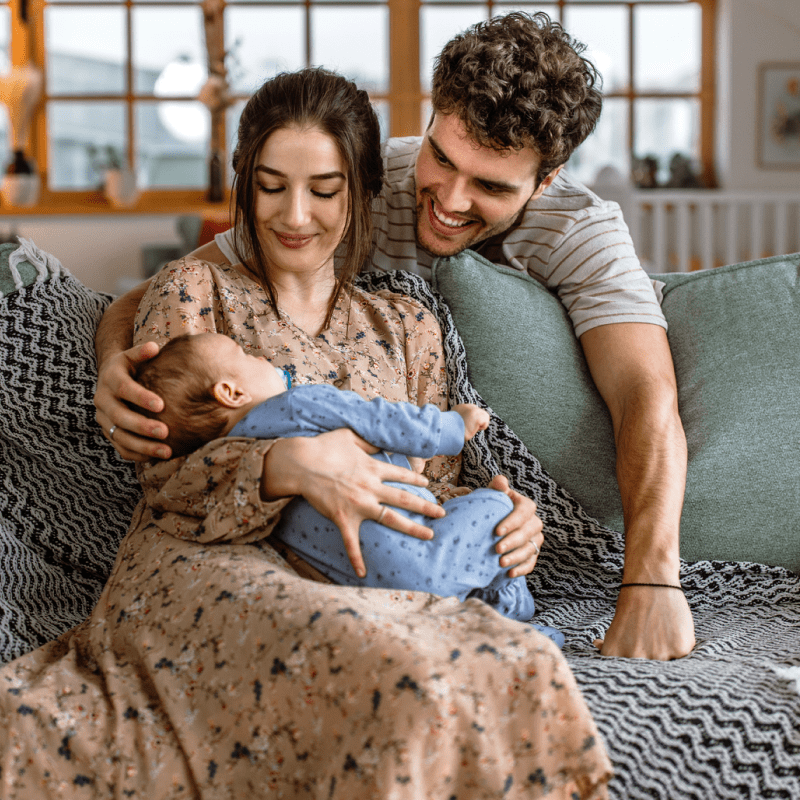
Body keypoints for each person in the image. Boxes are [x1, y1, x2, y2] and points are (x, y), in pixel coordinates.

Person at [0, 68, 612, 797]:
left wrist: (510, 522)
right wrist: (286, 465)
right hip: (215, 563)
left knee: (461, 667)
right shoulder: (193, 293)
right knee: (394, 674)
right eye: (271, 186)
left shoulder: (409, 326)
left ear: (361, 192)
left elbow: (434, 489)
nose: (294, 215)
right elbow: (166, 481)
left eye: (324, 190)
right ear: (245, 183)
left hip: (375, 572)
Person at [94, 12, 693, 662]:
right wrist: (117, 370)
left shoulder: (572, 237)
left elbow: (645, 394)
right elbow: (153, 301)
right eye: (443, 158)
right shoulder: (346, 182)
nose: (450, 200)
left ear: (544, 181)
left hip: (400, 554)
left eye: (489, 185)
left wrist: (649, 577)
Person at [132, 331, 566, 634]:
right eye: (245, 355)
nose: (260, 356)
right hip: (422, 550)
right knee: (498, 505)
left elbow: (371, 465)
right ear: (231, 392)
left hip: (367, 592)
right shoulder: (298, 403)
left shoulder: (239, 471)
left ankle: (501, 628)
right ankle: (511, 606)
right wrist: (452, 426)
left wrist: (406, 464)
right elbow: (381, 420)